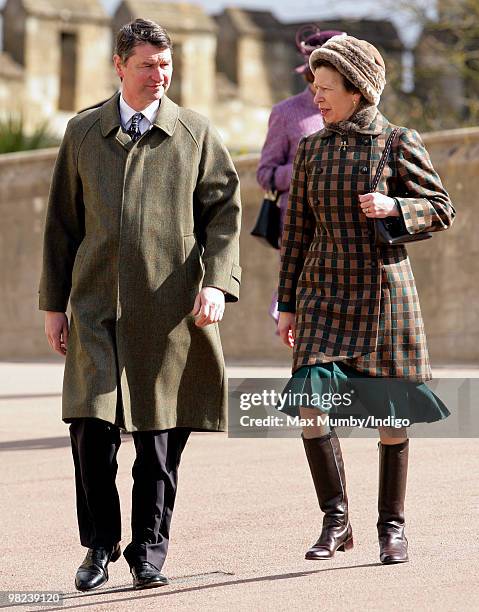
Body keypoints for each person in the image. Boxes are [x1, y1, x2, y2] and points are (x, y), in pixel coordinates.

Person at [39, 19, 241, 591]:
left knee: (157, 443)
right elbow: (60, 227)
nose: (160, 76)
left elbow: (224, 215)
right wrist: (54, 305)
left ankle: (148, 552)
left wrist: (217, 284)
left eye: (167, 65)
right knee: (90, 431)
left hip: (169, 310)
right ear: (120, 66)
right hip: (94, 306)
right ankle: (99, 545)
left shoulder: (196, 133)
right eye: (148, 65)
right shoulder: (82, 134)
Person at [277, 35, 455, 564]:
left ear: (357, 90)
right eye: (314, 85)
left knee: (391, 415)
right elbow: (297, 233)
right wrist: (287, 303)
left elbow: (441, 208)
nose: (316, 96)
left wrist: (394, 205)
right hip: (321, 295)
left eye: (327, 87)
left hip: (384, 297)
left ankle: (391, 527)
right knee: (309, 402)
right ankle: (336, 521)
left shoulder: (398, 141)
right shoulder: (309, 148)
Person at [256, 26, 344, 324]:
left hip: (344, 219)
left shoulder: (355, 109)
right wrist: (301, 170)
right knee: (303, 302)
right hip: (298, 221)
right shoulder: (286, 112)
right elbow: (265, 173)